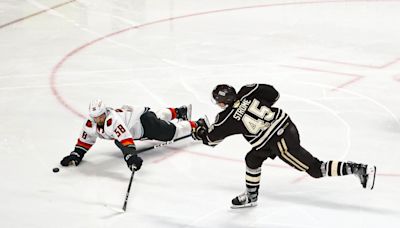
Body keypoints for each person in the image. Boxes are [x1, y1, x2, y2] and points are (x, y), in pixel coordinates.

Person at [192, 83, 376, 208]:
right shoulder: (247, 91)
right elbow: (274, 93)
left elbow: (211, 140)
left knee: (314, 169)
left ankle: (359, 169)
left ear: (222, 103)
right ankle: (251, 196)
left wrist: (199, 131)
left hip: (279, 142)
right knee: (253, 158)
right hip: (285, 127)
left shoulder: (225, 119)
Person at [61, 98, 198, 171]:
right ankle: (180, 111)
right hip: (139, 115)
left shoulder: (113, 121)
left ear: (105, 112)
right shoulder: (90, 123)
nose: (98, 119)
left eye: (101, 116)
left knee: (172, 133)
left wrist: (131, 156)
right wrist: (76, 154)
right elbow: (86, 139)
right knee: (157, 116)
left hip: (145, 125)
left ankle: (197, 124)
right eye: (95, 117)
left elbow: (124, 139)